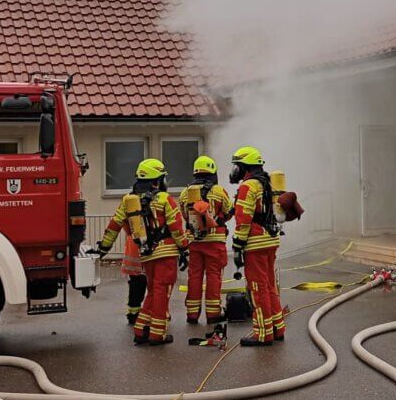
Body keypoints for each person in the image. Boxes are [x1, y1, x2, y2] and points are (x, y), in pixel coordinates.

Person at [97, 158, 190, 345]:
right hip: (166, 253)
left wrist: (102, 249)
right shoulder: (165, 199)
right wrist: (184, 248)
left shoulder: (129, 201)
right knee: (161, 293)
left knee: (154, 292)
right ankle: (157, 335)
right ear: (157, 180)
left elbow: (114, 225)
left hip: (146, 254)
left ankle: (141, 331)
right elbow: (177, 228)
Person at [230, 146, 284, 347]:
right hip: (270, 240)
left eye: (237, 166)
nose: (234, 170)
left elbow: (243, 219)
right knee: (269, 286)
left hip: (255, 243)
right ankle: (277, 328)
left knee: (257, 288)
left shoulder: (248, 186)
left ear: (244, 167)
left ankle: (262, 334)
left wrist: (237, 244)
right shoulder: (266, 183)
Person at [179, 155, 233, 324]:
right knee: (213, 276)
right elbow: (230, 210)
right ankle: (213, 314)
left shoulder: (184, 193)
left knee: (194, 276)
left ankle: (192, 314)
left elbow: (185, 216)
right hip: (215, 241)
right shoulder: (218, 191)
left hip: (194, 241)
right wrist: (219, 220)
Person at [121, 234, 147, 325]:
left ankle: (133, 314)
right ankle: (138, 314)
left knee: (135, 285)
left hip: (133, 254)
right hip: (143, 254)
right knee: (144, 285)